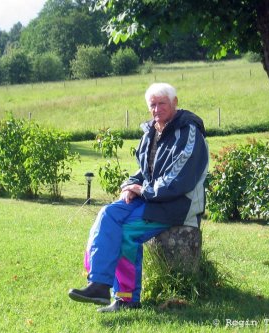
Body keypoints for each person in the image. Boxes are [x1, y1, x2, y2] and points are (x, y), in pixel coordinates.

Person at [68, 82, 209, 312]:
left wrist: (143, 191)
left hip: (179, 203)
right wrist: (129, 186)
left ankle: (127, 299)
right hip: (153, 198)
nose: (156, 109)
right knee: (107, 214)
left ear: (175, 103)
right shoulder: (152, 132)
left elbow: (179, 178)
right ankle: (98, 285)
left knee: (127, 231)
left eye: (162, 103)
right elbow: (143, 171)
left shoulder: (188, 132)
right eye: (152, 105)